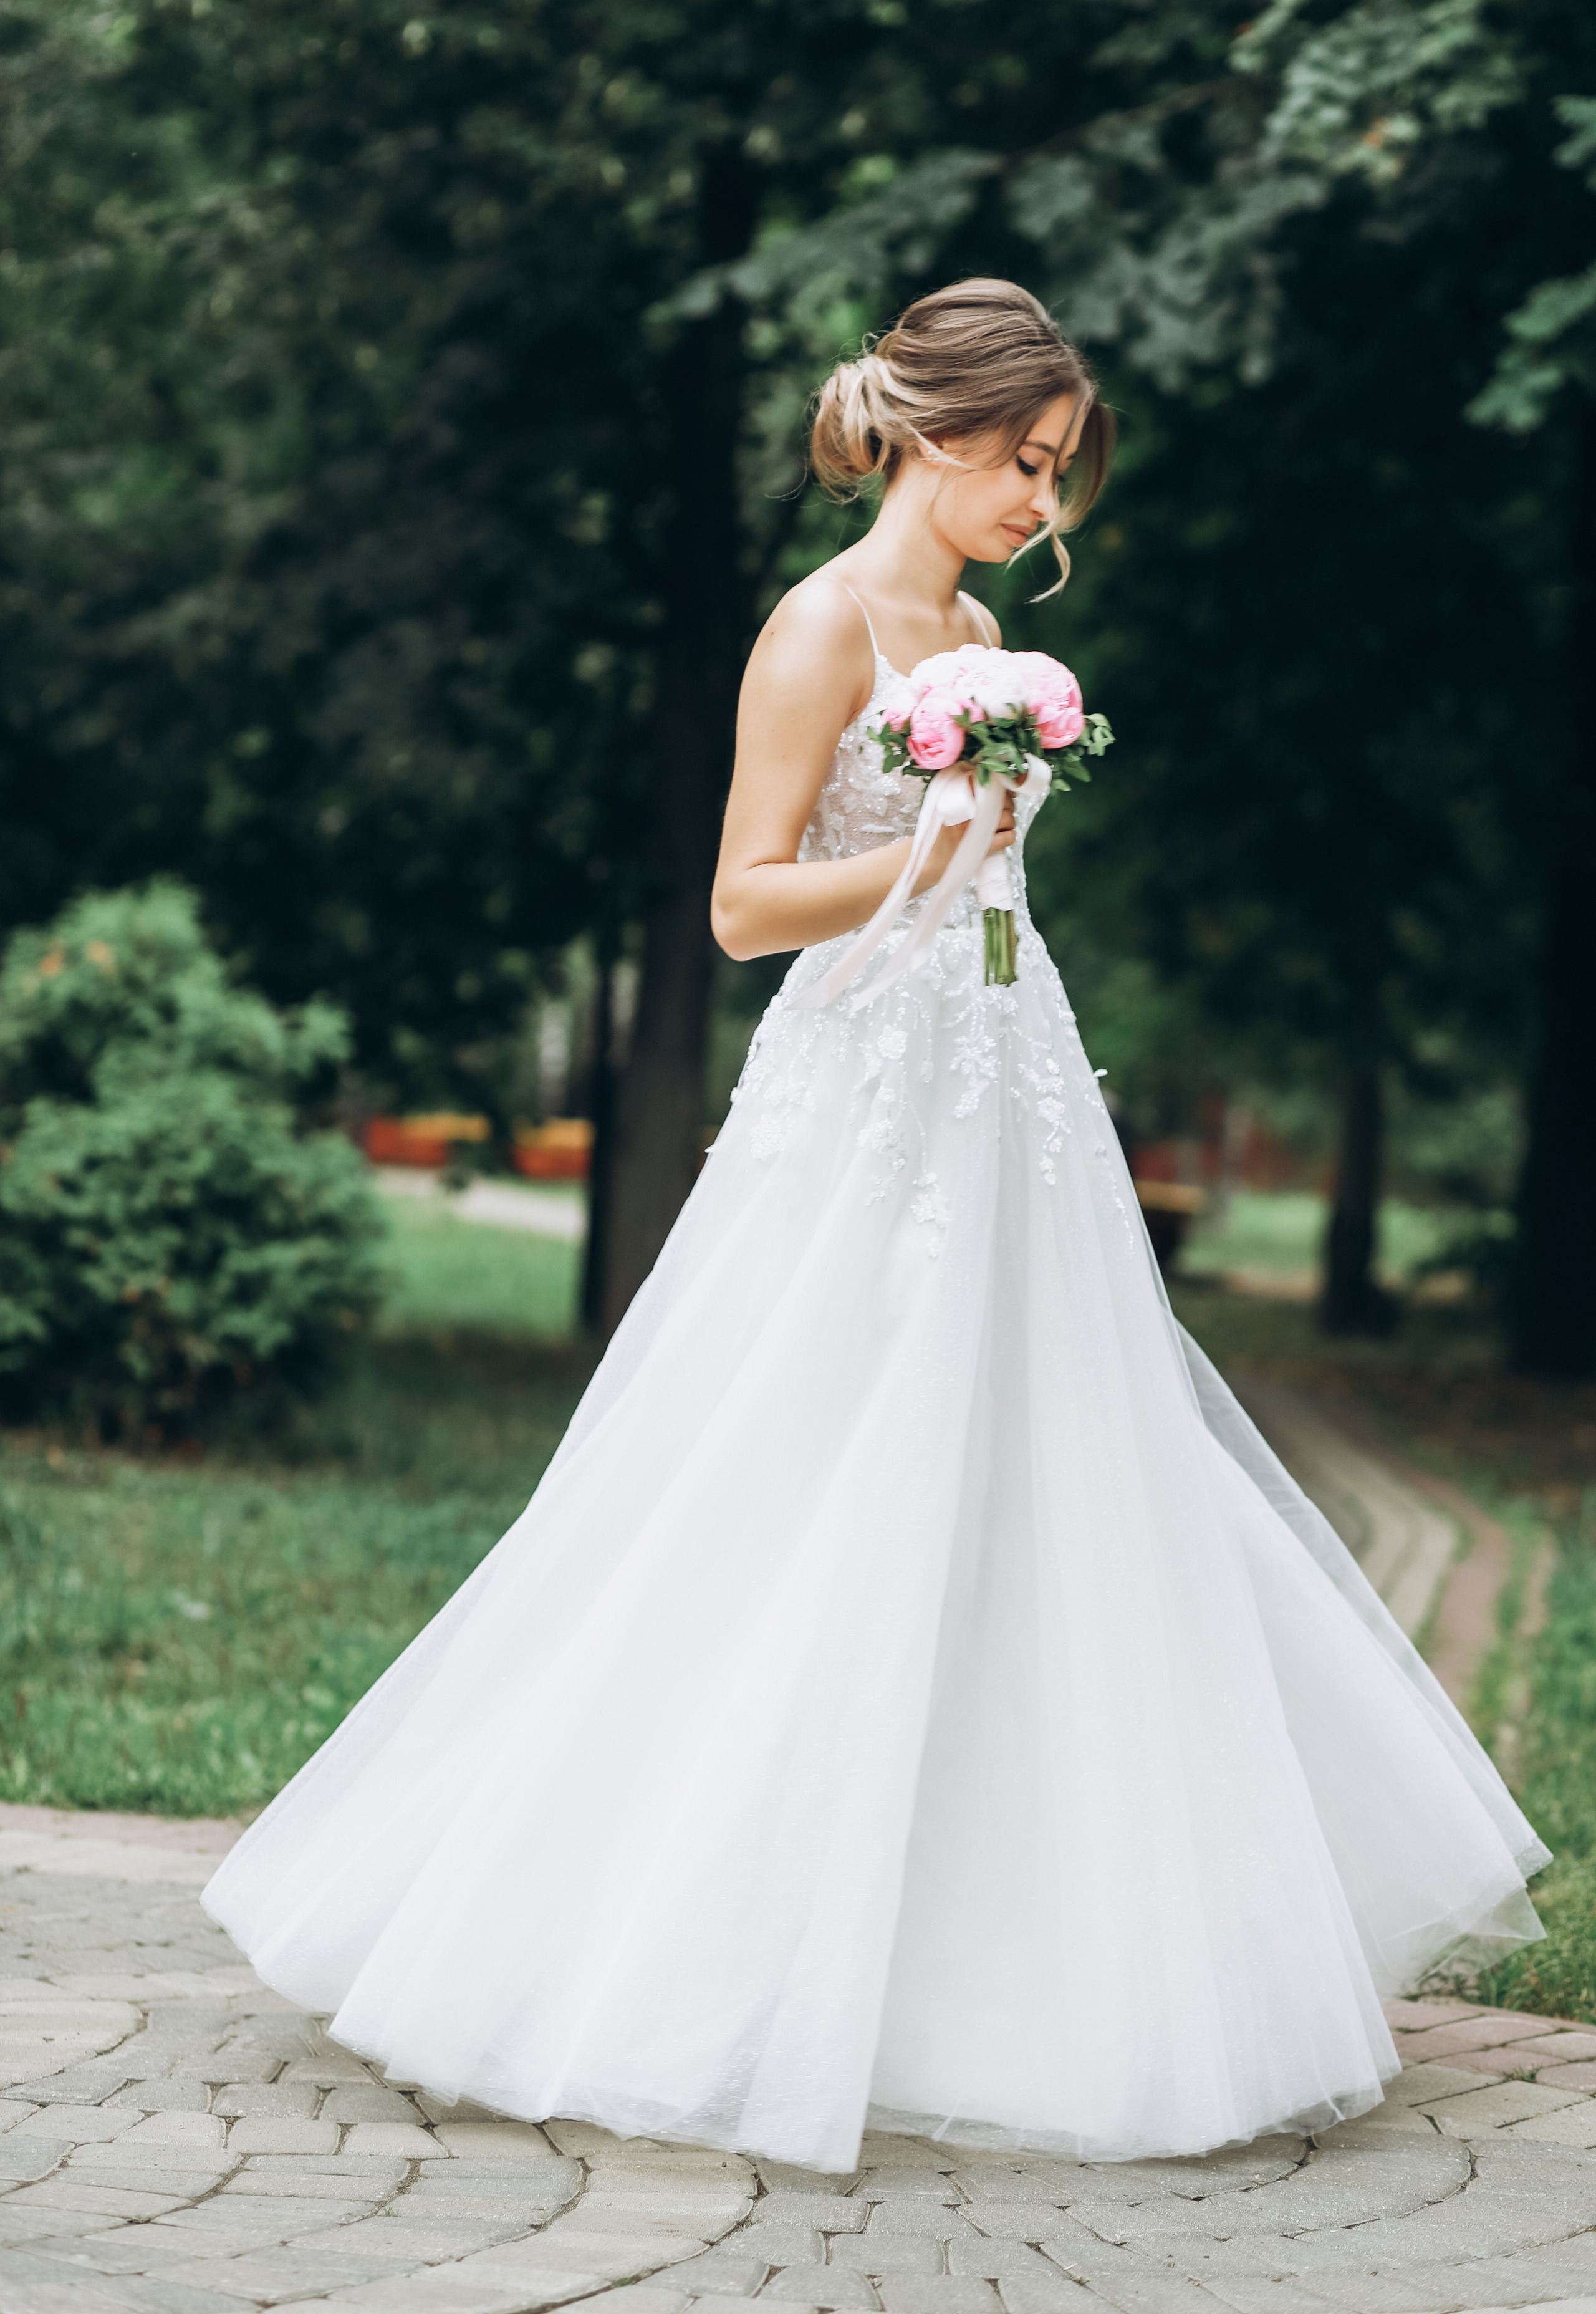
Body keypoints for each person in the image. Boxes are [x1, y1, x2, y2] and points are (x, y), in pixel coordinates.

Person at [203, 279, 1546, 2176]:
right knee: (803, 1459)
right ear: (930, 428)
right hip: (859, 1099)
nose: (1040, 501)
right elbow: (746, 907)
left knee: (1048, 1468)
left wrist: (989, 844)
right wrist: (922, 854)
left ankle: (1002, 1958)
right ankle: (660, 1937)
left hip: (1006, 1066)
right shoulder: (817, 628)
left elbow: (985, 866)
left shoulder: (988, 636)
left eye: (1060, 472)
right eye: (1022, 458)